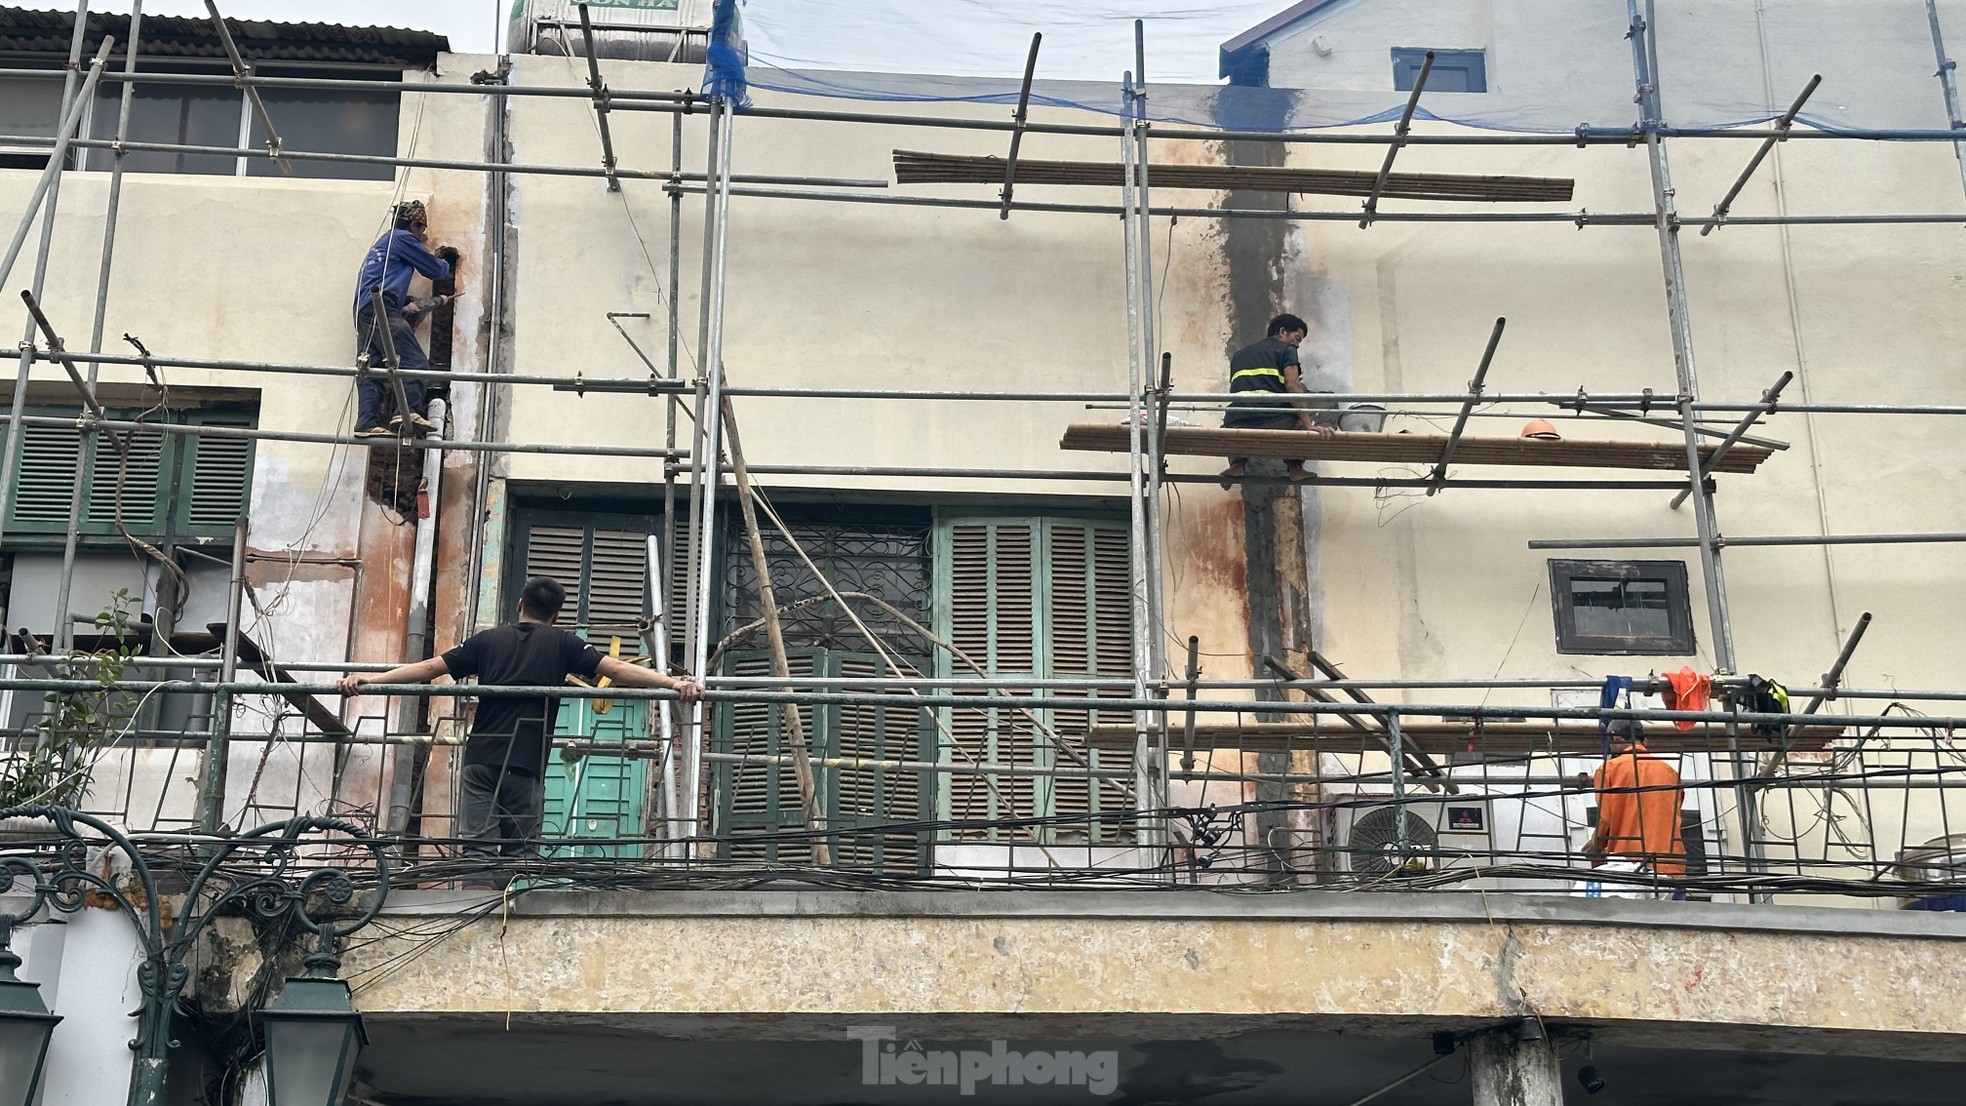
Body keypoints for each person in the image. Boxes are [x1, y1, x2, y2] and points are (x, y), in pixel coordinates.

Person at [336, 575, 703, 888]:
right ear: (556, 615)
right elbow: (619, 670)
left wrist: (372, 680)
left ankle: (477, 912)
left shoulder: (487, 640)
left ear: (519, 605)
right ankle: (508, 914)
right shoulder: (564, 644)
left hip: (482, 759)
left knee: (477, 851)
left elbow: (431, 668)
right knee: (521, 854)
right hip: (526, 765)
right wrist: (672, 682)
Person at [352, 200, 458, 437]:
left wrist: (412, 303)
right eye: (422, 230)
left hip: (365, 310)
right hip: (381, 309)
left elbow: (386, 281)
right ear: (414, 224)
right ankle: (406, 411)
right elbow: (434, 269)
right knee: (416, 361)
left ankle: (366, 422)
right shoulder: (402, 239)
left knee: (372, 368)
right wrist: (446, 262)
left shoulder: (384, 244)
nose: (422, 236)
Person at [1219, 312, 1337, 487]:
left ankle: (1237, 464)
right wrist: (1308, 424)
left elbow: (1247, 386)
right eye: (1296, 338)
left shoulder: (1240, 355)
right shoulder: (1287, 350)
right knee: (1300, 416)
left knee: (1234, 417)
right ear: (1282, 332)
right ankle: (1295, 468)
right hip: (1273, 420)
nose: (1297, 345)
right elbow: (1292, 386)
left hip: (1237, 421)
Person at [1584, 717, 1687, 890]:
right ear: (1644, 741)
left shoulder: (1608, 770)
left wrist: (1596, 845)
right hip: (1672, 869)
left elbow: (1606, 820)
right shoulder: (1670, 772)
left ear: (1616, 738)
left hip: (1631, 868)